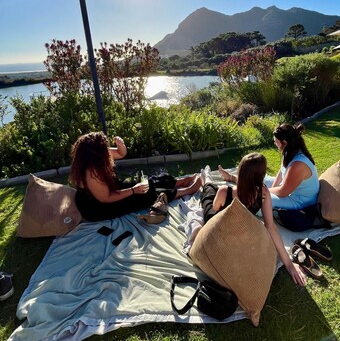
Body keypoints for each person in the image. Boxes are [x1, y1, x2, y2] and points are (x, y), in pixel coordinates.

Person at [200, 153, 307, 287]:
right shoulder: (260, 192)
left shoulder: (261, 193)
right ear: (261, 176)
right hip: (214, 217)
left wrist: (289, 264)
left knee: (214, 191)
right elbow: (212, 218)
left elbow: (271, 227)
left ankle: (214, 180)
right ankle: (207, 179)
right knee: (209, 192)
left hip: (225, 201)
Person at [70, 132, 202, 222]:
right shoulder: (91, 173)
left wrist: (121, 145)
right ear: (96, 154)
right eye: (104, 148)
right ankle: (187, 190)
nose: (107, 149)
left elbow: (120, 154)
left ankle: (181, 181)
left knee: (149, 183)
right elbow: (106, 198)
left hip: (110, 190)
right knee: (147, 194)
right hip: (99, 207)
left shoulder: (97, 156)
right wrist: (133, 190)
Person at [219, 123, 319, 211]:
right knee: (259, 179)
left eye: (276, 141)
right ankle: (232, 178)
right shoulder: (289, 151)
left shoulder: (298, 165)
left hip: (299, 201)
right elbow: (281, 172)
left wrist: (261, 191)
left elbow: (283, 191)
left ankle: (229, 200)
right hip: (289, 190)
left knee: (257, 198)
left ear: (284, 142)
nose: (274, 143)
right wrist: (270, 188)